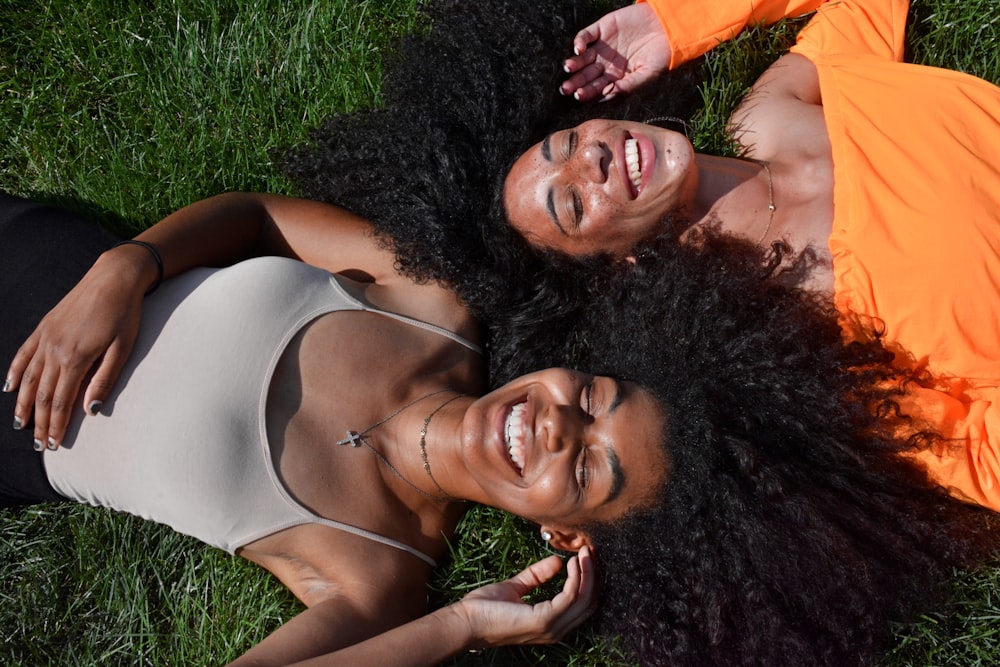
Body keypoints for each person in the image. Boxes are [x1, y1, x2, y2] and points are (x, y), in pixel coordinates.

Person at [4, 190, 1000, 667]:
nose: (556, 426)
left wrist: (460, 626)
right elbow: (260, 217)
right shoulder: (429, 300)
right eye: (591, 399)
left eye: (590, 468)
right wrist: (126, 269)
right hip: (37, 252)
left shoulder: (369, 571)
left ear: (565, 534)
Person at [500, 0, 1000, 513]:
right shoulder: (798, 335)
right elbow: (980, 456)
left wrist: (674, 23)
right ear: (616, 264)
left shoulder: (767, 116)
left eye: (567, 143)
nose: (592, 158)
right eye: (574, 204)